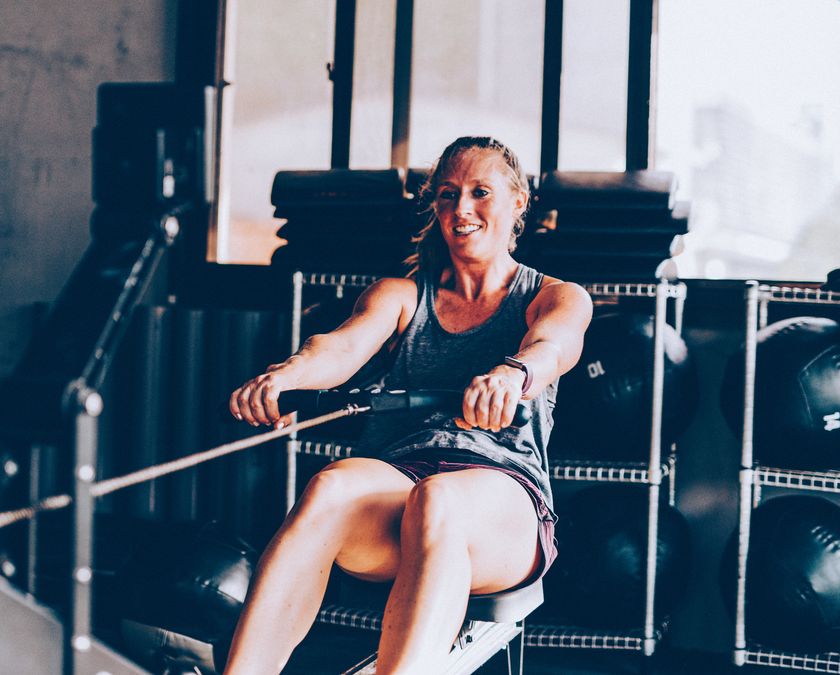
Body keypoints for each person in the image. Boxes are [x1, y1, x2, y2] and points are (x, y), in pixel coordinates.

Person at [224, 136, 592, 674]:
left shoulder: (553, 295)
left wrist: (515, 374)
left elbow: (555, 344)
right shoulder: (402, 294)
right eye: (447, 194)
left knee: (438, 499)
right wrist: (286, 377)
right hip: (402, 487)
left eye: (479, 192)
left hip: (503, 504)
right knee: (331, 483)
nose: (461, 209)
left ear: (518, 202)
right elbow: (342, 345)